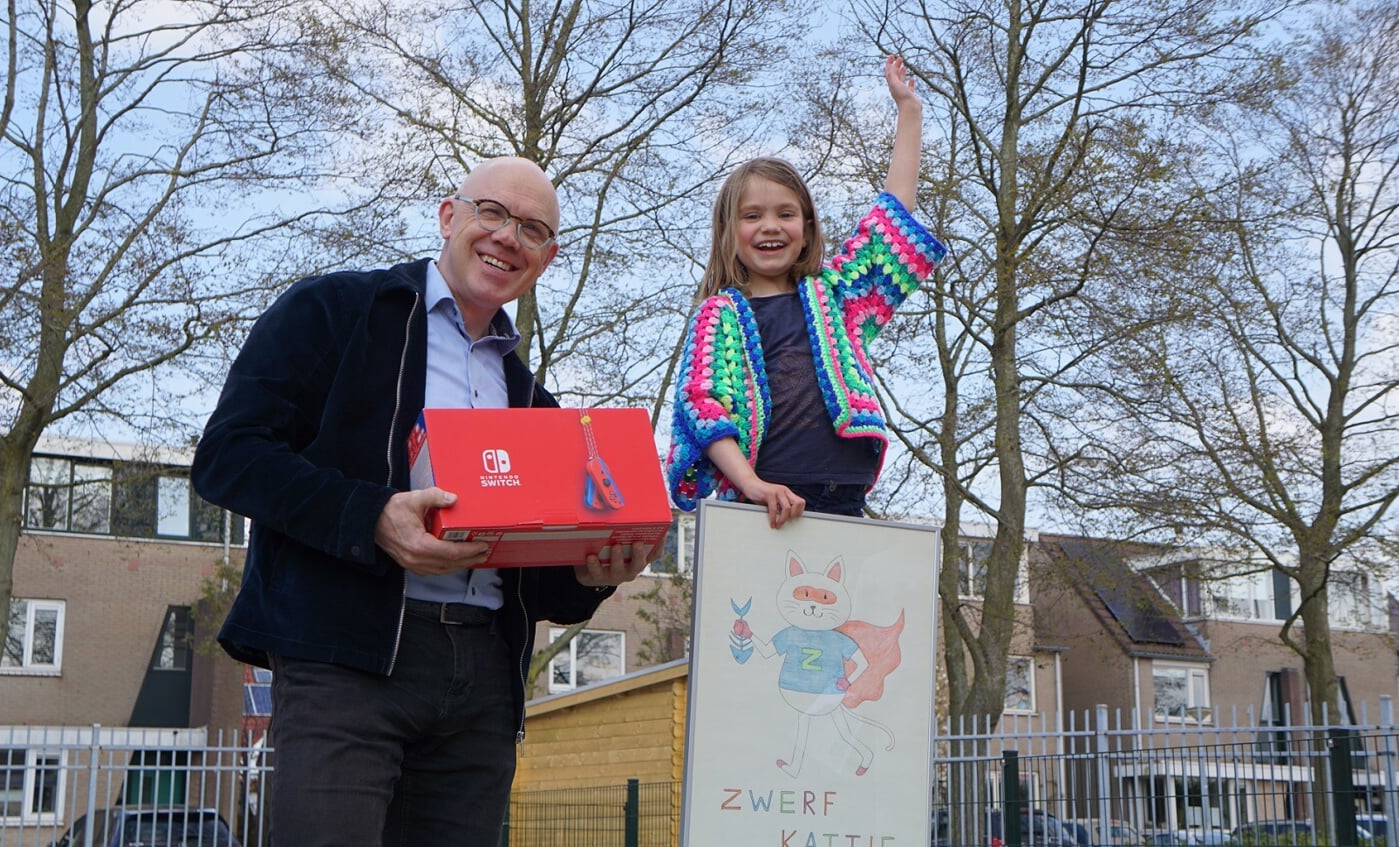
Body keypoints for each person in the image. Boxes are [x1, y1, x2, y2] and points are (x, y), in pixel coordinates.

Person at [192, 156, 652, 847]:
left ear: (546, 258)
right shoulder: (333, 311)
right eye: (491, 212)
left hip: (483, 682)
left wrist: (592, 575)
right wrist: (372, 517)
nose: (507, 237)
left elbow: (541, 578)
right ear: (449, 216)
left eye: (531, 229)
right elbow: (228, 456)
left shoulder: (535, 403)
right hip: (344, 659)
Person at [665, 55, 948, 528]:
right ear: (729, 231)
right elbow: (703, 404)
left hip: (844, 496)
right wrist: (752, 485)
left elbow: (889, 224)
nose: (770, 226)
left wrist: (909, 112)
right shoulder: (720, 314)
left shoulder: (835, 297)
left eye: (785, 214)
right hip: (764, 499)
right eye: (752, 216)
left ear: (807, 226)